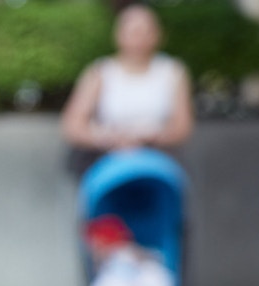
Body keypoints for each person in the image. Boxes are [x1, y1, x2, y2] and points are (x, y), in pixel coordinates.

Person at [61, 3, 194, 177]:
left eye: (146, 32)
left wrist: (149, 138)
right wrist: (106, 138)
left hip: (157, 162)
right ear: (118, 35)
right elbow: (73, 125)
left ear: (158, 35)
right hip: (105, 161)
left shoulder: (173, 72)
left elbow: (182, 127)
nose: (140, 39)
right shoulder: (100, 72)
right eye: (133, 32)